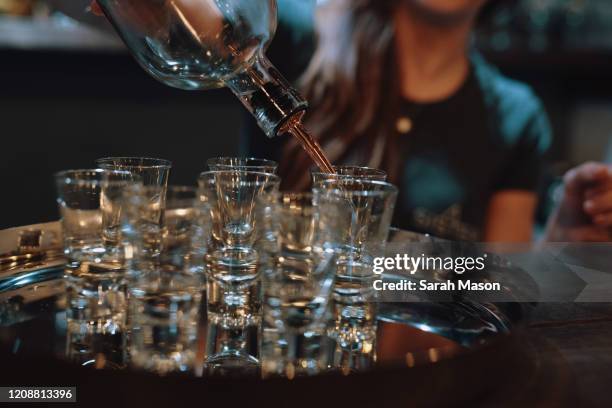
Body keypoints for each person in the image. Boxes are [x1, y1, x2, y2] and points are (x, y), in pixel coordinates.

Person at [90, 0, 612, 243]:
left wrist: (561, 236)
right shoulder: (296, 35)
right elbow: (184, 21)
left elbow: (494, 284)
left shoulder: (516, 116)